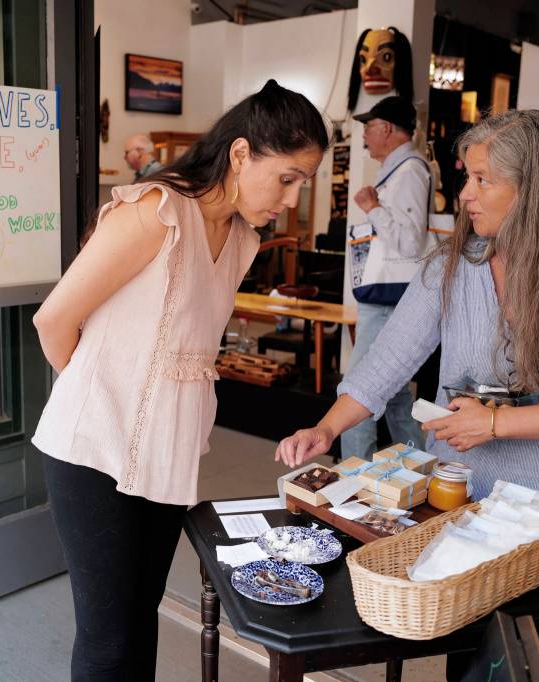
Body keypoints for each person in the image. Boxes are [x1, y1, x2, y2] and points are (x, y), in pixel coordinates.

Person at [276, 110, 539, 676]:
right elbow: (389, 358)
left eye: (482, 180)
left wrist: (493, 424)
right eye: (466, 177)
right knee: (484, 640)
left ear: (535, 189)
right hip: (474, 483)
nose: (464, 194)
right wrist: (328, 427)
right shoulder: (452, 267)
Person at [32, 80, 328, 681]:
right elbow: (54, 319)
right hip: (93, 450)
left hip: (167, 455)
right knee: (108, 640)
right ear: (242, 154)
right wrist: (100, 391)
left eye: (304, 184)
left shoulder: (242, 238)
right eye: (288, 178)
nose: (291, 200)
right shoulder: (153, 211)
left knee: (142, 618)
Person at [342, 95, 429, 459]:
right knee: (393, 392)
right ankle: (423, 463)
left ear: (387, 128)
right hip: (385, 299)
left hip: (387, 301)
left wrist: (372, 208)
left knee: (358, 388)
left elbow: (410, 243)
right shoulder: (398, 170)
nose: (364, 134)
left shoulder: (410, 171)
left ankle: (351, 476)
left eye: (369, 126)